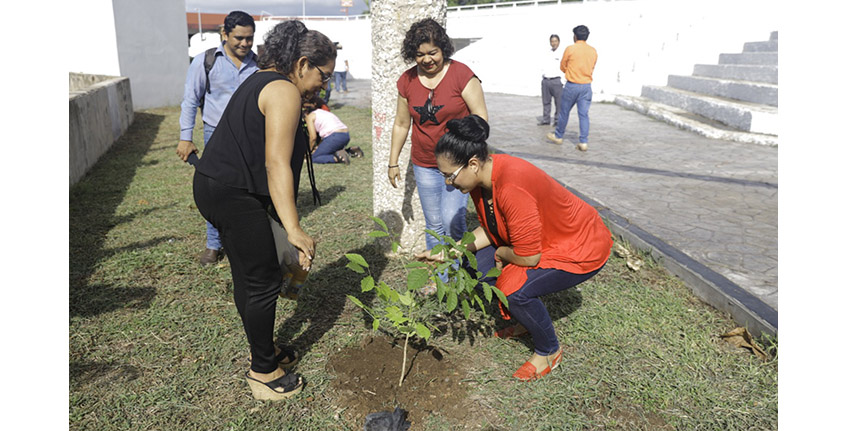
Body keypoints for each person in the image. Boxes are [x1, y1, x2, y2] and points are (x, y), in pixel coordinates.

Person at [192, 20, 336, 400]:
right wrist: (294, 228)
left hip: (218, 186)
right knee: (262, 281)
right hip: (233, 193)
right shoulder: (284, 90)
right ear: (303, 63)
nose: (324, 85)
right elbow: (274, 164)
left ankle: (264, 350)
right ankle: (263, 373)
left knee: (249, 275)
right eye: (324, 76)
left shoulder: (261, 78)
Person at [436, 115, 613, 381]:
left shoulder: (511, 186)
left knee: (513, 290)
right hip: (542, 240)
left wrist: (500, 254)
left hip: (580, 244)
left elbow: (529, 257)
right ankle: (527, 320)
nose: (448, 183)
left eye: (449, 176)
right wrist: (449, 251)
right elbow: (492, 227)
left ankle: (549, 351)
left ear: (472, 164)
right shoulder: (483, 178)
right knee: (470, 261)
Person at [388, 18, 488, 263]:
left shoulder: (462, 75)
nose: (427, 59)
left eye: (432, 52)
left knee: (451, 219)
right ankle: (439, 279)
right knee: (434, 224)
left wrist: (465, 153)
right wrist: (393, 162)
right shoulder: (407, 81)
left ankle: (461, 274)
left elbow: (481, 120)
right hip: (424, 163)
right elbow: (402, 124)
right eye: (420, 54)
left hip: (457, 164)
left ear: (443, 48)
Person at [177, 11, 259, 265]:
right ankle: (214, 244)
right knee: (216, 189)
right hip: (215, 134)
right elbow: (191, 100)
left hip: (251, 136)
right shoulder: (206, 61)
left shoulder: (260, 64)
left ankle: (246, 238)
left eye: (249, 38)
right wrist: (185, 137)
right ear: (224, 34)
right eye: (239, 38)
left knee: (250, 188)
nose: (245, 44)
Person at [546, 25, 597, 152]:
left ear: (575, 36)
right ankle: (583, 141)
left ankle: (558, 135)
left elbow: (562, 66)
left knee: (564, 112)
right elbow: (592, 67)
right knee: (584, 114)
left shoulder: (570, 49)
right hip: (586, 86)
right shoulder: (593, 51)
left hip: (572, 85)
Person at [303, 97, 364, 164]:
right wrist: (318, 147)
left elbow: (313, 138)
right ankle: (351, 151)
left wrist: (308, 152)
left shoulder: (309, 117)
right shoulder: (321, 112)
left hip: (334, 136)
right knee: (328, 152)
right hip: (345, 135)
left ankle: (337, 158)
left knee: (314, 157)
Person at [538, 34, 563, 126]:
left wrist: (562, 81)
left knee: (559, 103)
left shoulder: (562, 53)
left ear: (559, 42)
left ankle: (557, 120)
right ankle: (546, 119)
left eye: (555, 41)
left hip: (556, 81)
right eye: (552, 41)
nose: (554, 43)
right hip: (546, 80)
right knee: (546, 102)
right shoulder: (547, 53)